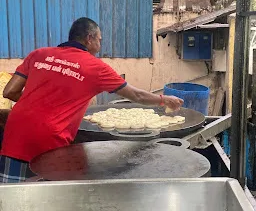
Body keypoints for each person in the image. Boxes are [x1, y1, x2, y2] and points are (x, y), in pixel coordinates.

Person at [0, 17, 183, 183]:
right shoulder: (95, 68)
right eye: (99, 40)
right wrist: (163, 99)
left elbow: (9, 91)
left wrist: (38, 103)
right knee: (46, 198)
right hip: (49, 139)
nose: (100, 45)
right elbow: (137, 96)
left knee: (11, 198)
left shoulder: (38, 54)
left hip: (15, 132)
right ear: (89, 38)